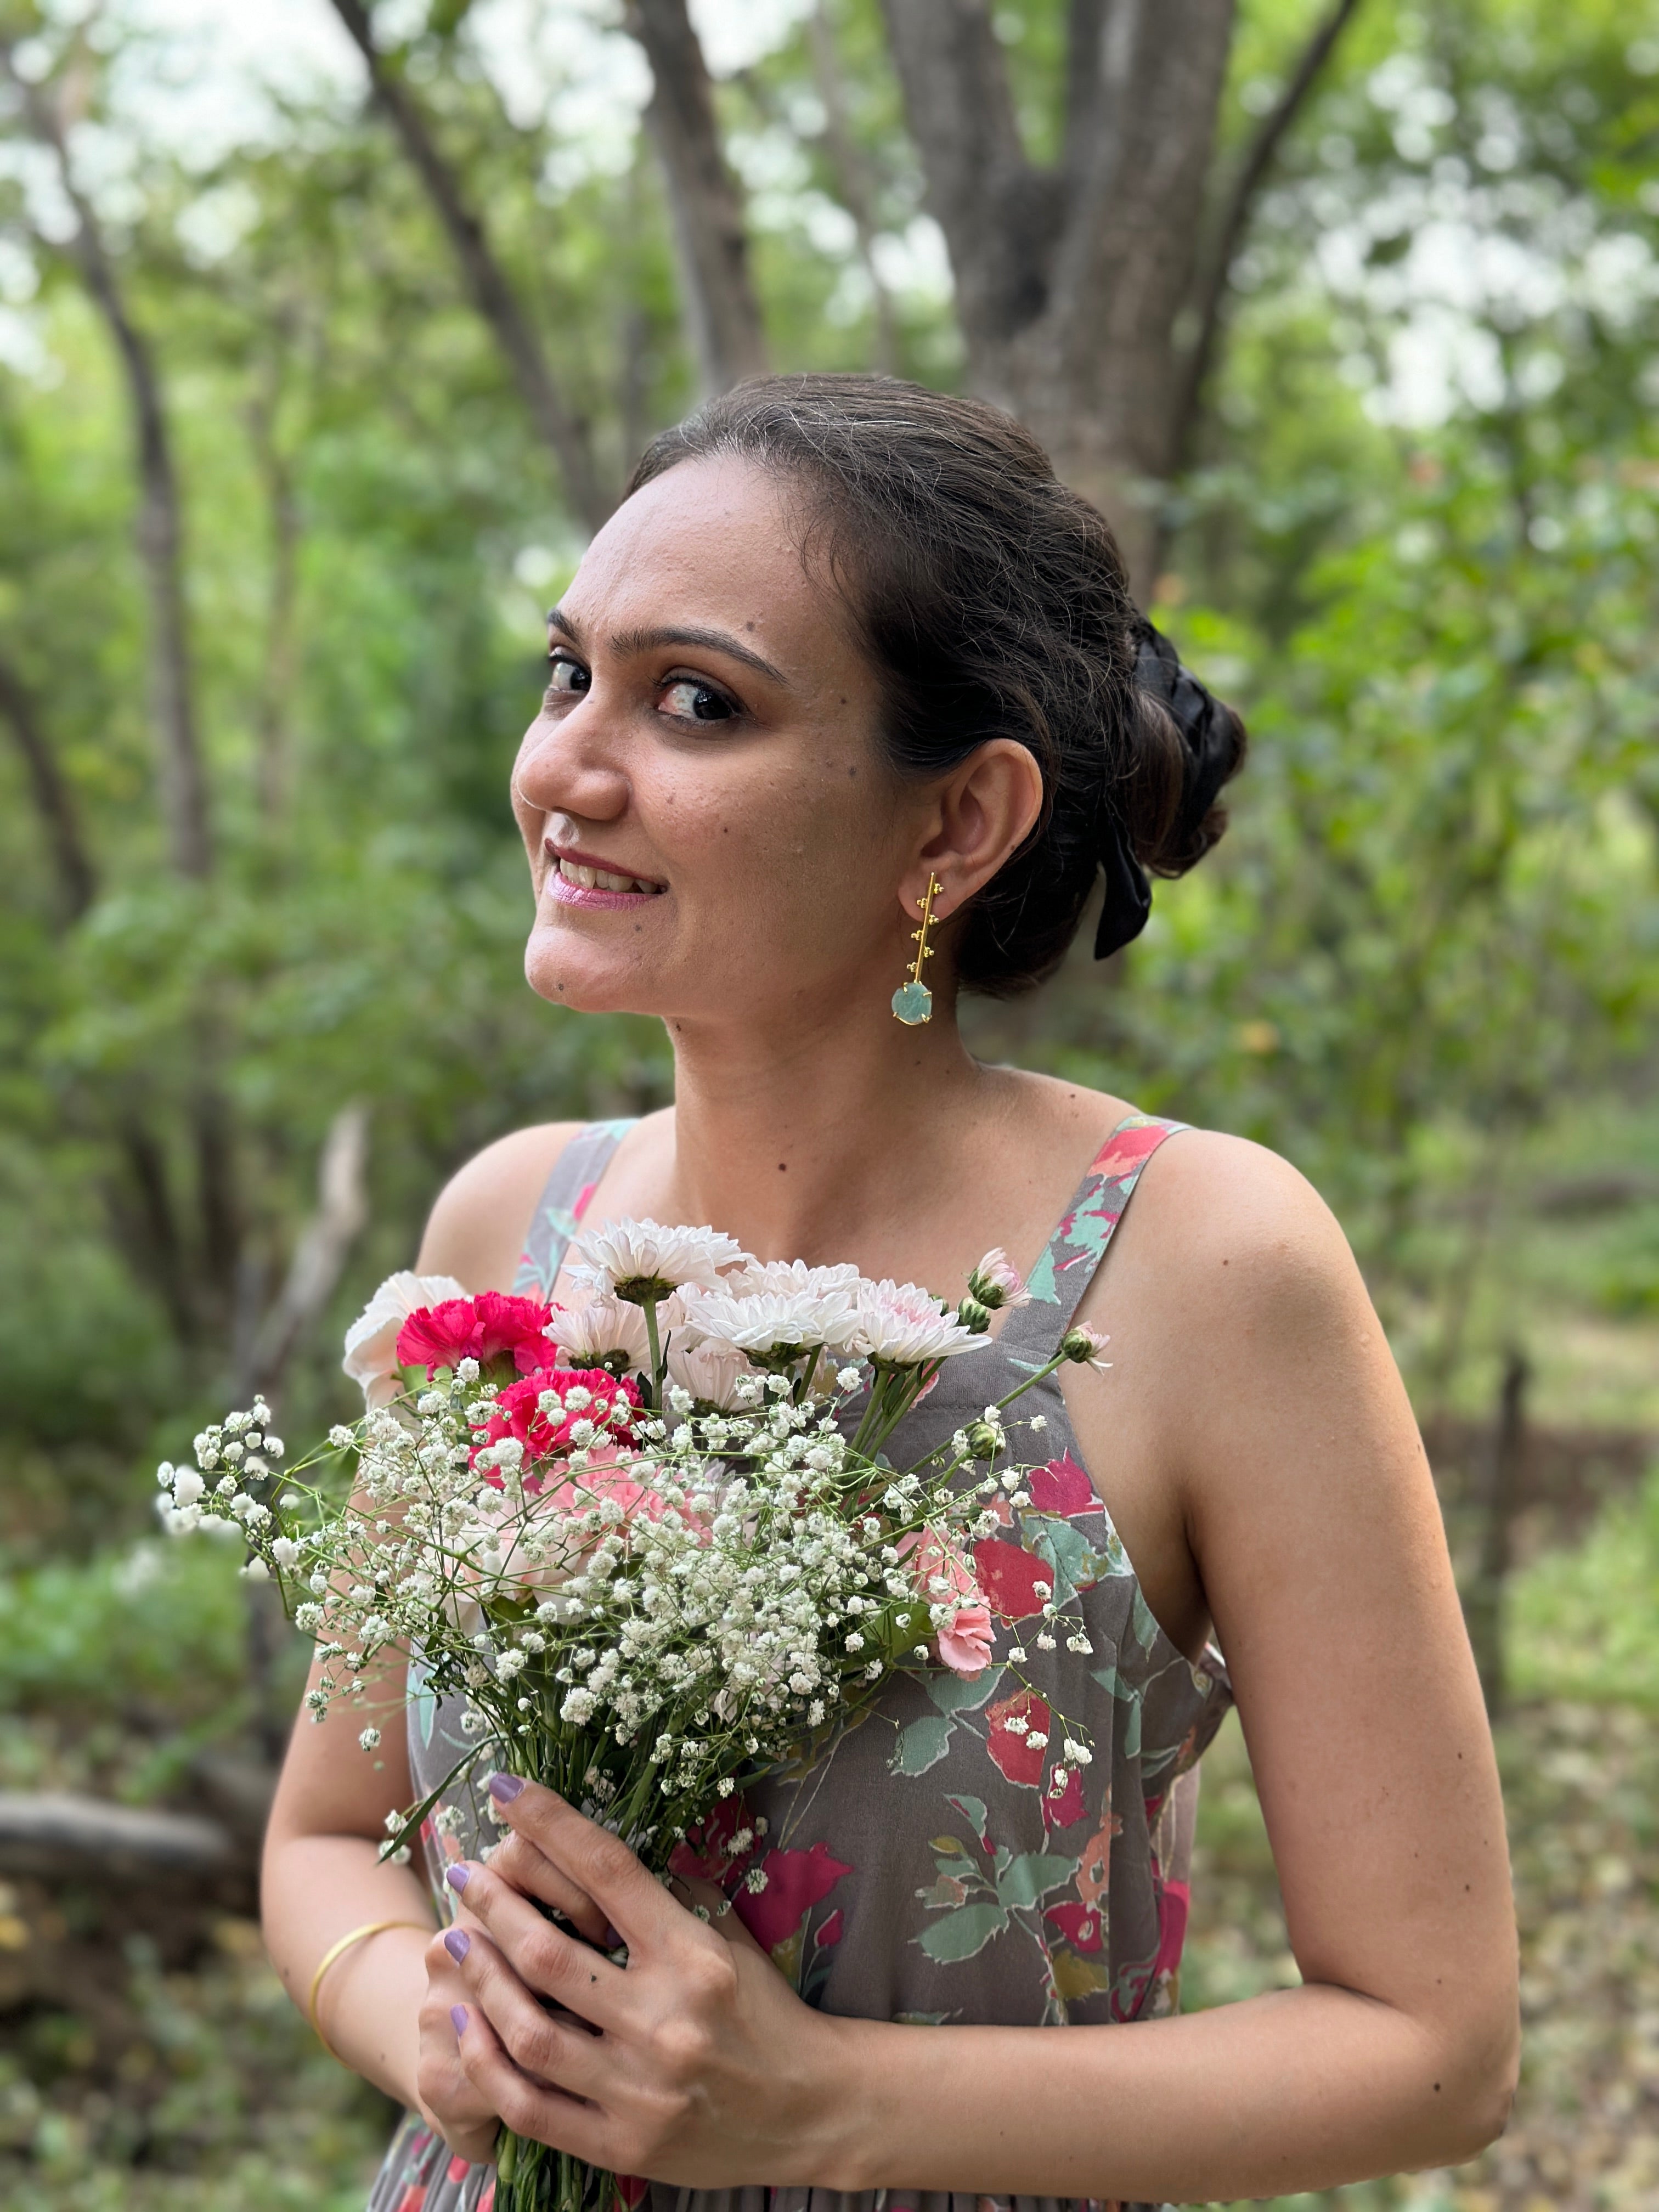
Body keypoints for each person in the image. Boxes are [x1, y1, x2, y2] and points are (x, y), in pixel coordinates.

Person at [262, 375, 1518, 2212]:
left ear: (957, 826)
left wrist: (823, 2105)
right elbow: (321, 1839)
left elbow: (1436, 2048)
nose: (567, 769)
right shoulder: (506, 1229)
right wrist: (429, 2026)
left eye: (697, 699)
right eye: (567, 675)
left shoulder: (1200, 1265)